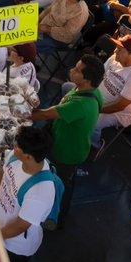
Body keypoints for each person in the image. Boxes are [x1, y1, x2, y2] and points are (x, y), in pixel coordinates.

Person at [30, 55, 105, 224]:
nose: (72, 70)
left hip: (67, 152)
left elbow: (46, 114)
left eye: (77, 71)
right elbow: (58, 108)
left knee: (61, 185)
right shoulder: (86, 90)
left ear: (87, 80)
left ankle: (58, 219)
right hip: (64, 142)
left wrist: (20, 112)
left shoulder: (81, 104)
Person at [0, 126, 58, 262]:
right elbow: (3, 174)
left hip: (15, 247)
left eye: (16, 146)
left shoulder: (40, 192)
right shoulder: (15, 158)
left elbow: (20, 226)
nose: (13, 147)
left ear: (28, 156)